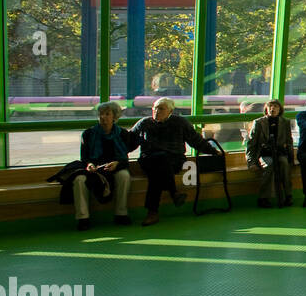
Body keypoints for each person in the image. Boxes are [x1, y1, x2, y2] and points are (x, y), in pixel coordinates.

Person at [129, 97, 215, 227]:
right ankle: (174, 193)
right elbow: (129, 141)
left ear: (170, 111)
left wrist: (214, 151)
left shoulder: (180, 122)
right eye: (155, 108)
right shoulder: (144, 123)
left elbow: (195, 140)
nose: (157, 111)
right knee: (159, 159)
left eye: (161, 108)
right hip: (149, 160)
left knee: (157, 172)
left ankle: (152, 213)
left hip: (174, 160)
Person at [65, 101, 137, 230]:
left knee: (124, 175)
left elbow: (124, 160)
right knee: (79, 180)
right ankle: (83, 218)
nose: (103, 117)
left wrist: (117, 164)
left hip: (114, 167)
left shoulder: (122, 134)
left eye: (107, 114)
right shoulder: (88, 134)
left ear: (115, 117)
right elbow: (85, 158)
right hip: (94, 169)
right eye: (100, 114)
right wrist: (90, 164)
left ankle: (121, 214)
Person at [246, 98, 295, 208]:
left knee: (284, 164)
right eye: (270, 106)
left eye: (275, 106)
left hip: (280, 152)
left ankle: (288, 195)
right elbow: (251, 144)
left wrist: (291, 158)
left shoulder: (285, 122)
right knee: (269, 165)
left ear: (280, 109)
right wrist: (251, 162)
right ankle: (264, 197)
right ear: (266, 109)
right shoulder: (258, 123)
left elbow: (289, 141)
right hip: (264, 153)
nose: (272, 109)